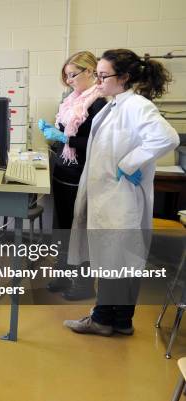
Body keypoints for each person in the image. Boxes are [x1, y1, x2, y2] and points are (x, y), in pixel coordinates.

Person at [64, 49, 180, 336]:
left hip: (119, 197)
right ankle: (121, 320)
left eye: (103, 76)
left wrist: (130, 163)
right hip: (109, 195)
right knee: (119, 260)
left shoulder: (136, 105)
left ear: (124, 77)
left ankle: (103, 319)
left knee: (113, 260)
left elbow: (167, 137)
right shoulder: (113, 105)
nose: (98, 81)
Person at [38, 51, 107, 301]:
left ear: (90, 72)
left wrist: (65, 138)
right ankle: (63, 273)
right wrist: (53, 130)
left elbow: (95, 141)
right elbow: (63, 130)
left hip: (82, 175)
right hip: (64, 173)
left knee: (80, 230)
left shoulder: (98, 103)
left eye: (73, 75)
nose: (69, 81)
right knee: (62, 227)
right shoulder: (72, 101)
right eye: (66, 77)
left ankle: (83, 283)